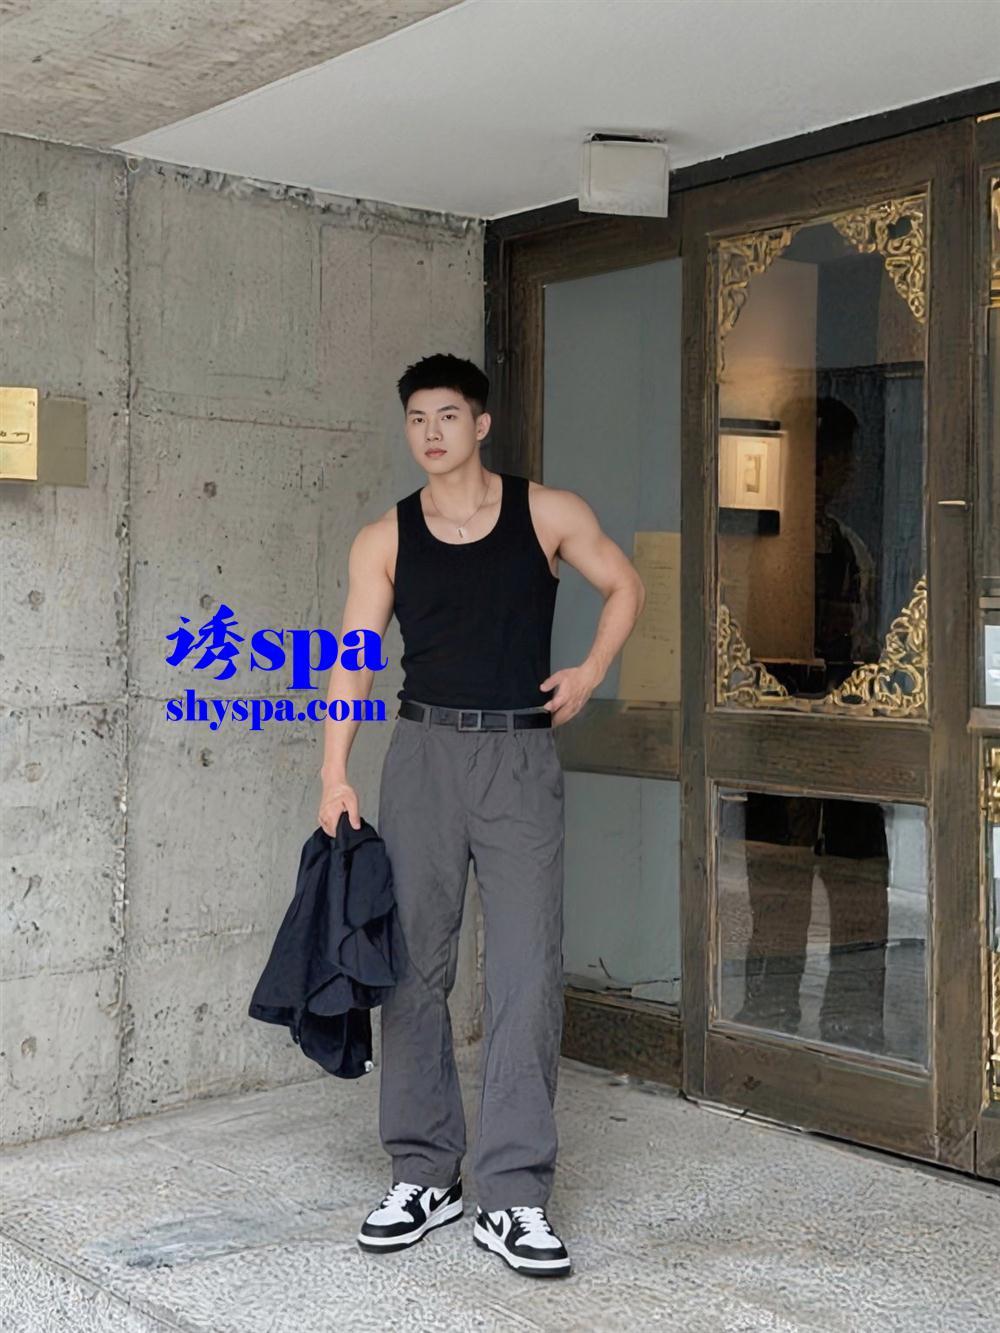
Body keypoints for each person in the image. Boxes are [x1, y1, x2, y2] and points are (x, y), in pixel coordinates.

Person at [317, 353, 645, 1278]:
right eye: (417, 418)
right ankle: (424, 1172)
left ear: (481, 423)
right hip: (422, 755)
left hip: (518, 756)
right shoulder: (384, 538)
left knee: (526, 969)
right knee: (413, 966)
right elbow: (354, 655)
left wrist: (590, 671)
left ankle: (512, 1192)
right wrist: (334, 772)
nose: (431, 433)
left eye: (448, 416)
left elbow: (626, 585)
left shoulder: (548, 513)